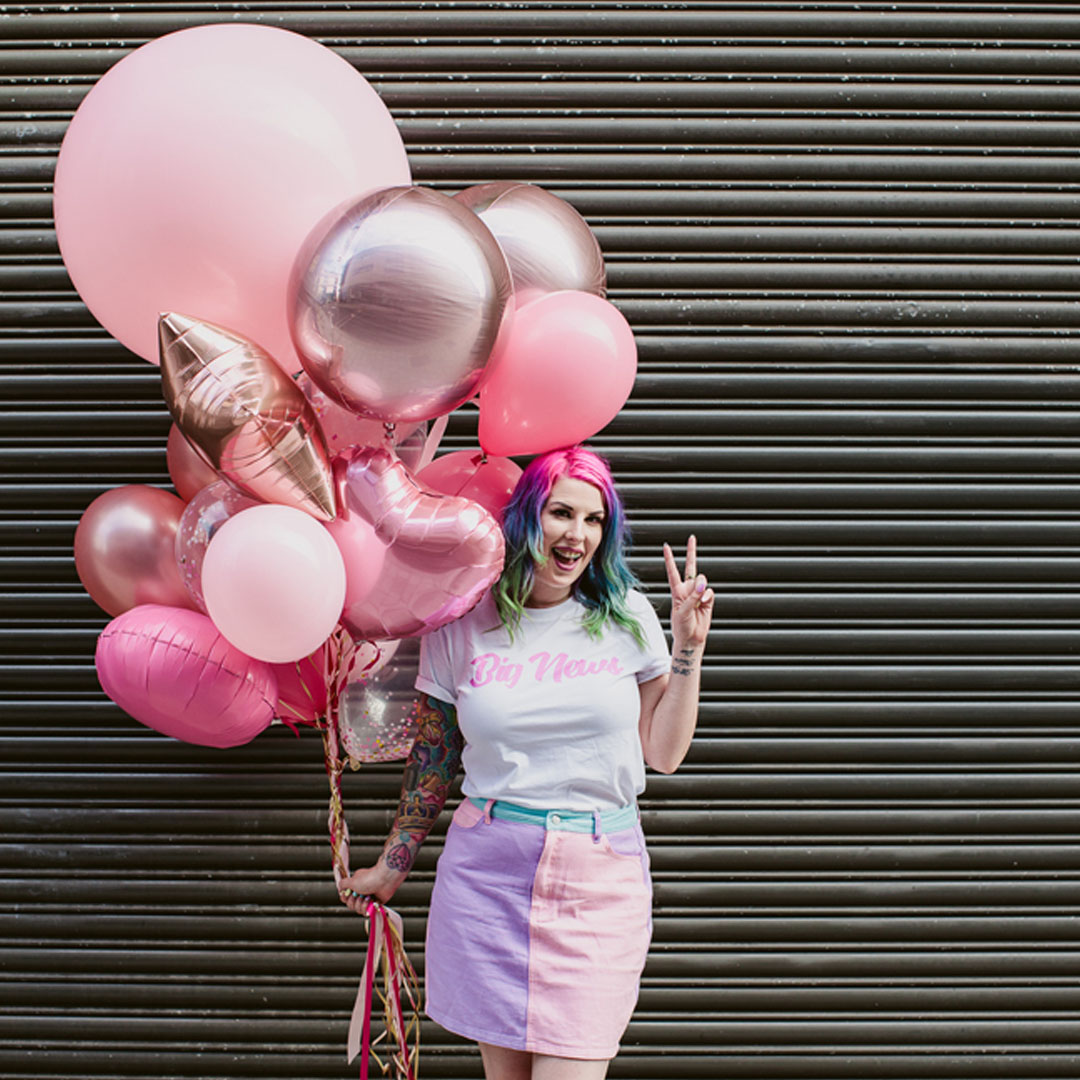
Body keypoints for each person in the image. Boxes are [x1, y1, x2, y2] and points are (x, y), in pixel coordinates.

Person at [342, 446, 714, 1080]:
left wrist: (688, 650)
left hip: (598, 881)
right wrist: (392, 862)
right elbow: (434, 758)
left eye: (595, 520)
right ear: (525, 517)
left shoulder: (626, 616)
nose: (578, 535)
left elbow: (665, 754)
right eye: (560, 512)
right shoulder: (461, 623)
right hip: (488, 874)